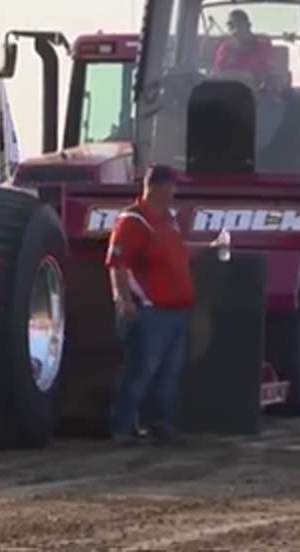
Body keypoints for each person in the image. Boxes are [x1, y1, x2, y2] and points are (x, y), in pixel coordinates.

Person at [106, 164, 196, 445]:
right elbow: (117, 264)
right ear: (157, 186)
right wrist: (123, 300)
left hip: (176, 310)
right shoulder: (133, 221)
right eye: (171, 186)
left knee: (168, 372)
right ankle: (122, 427)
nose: (175, 192)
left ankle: (160, 424)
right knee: (141, 370)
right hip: (150, 310)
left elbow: (178, 255)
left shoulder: (169, 220)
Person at [212, 9, 283, 89]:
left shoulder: (263, 47)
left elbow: (273, 74)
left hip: (257, 94)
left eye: (239, 25)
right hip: (228, 93)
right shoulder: (225, 48)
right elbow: (217, 74)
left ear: (248, 26)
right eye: (231, 26)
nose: (235, 30)